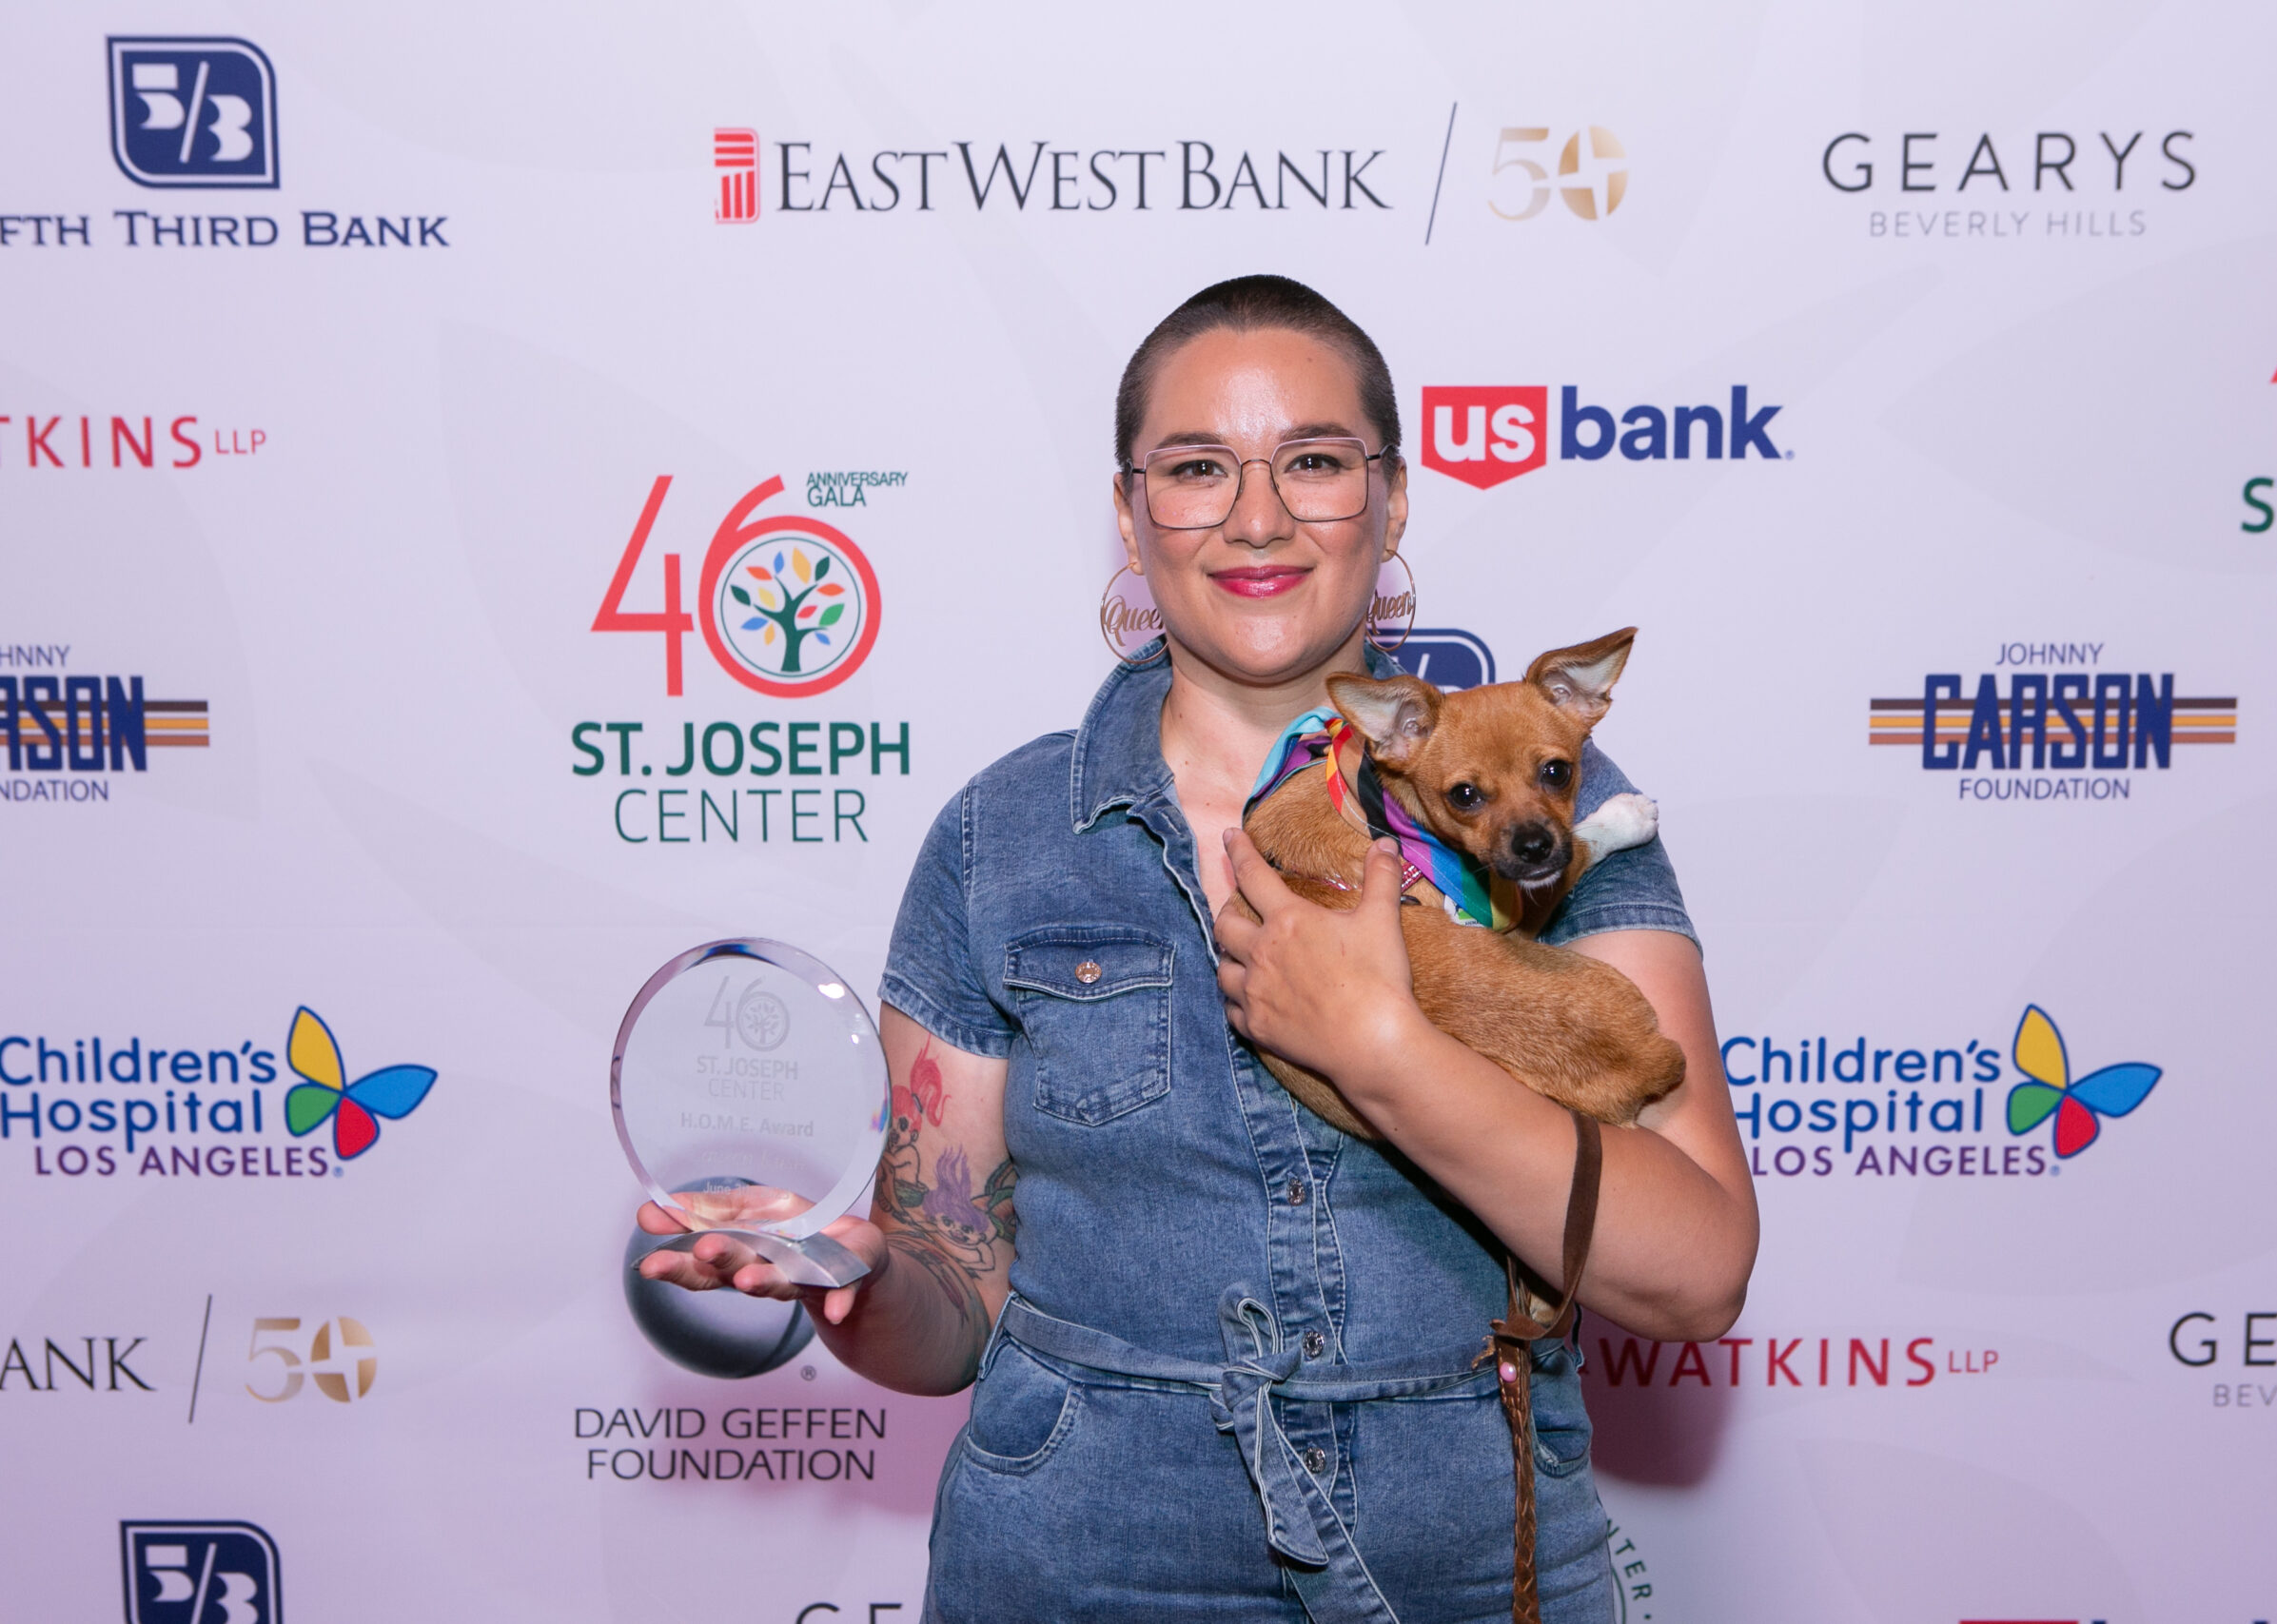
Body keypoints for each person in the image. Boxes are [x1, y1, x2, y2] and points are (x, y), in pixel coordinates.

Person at [639, 275, 1758, 1622]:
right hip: (1081, 1567)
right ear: (1129, 513)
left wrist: (1385, 1046)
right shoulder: (1007, 834)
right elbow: (948, 1309)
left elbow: (1695, 1272)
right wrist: (854, 1273)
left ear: (1393, 498)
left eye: (1316, 463)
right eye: (1195, 468)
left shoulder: (1544, 801)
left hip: (1466, 1567)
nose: (1258, 515)